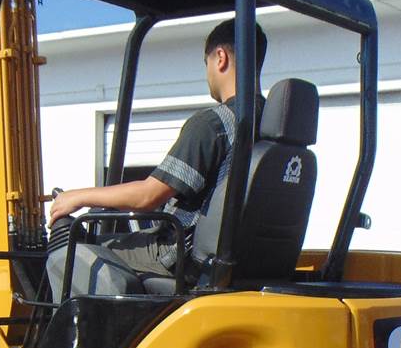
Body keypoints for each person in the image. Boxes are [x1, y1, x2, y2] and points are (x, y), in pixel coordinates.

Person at [46, 19, 267, 297]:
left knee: (71, 256)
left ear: (220, 58)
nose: (207, 73)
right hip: (239, 261)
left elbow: (148, 196)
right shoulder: (269, 125)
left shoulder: (215, 125)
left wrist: (77, 197)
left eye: (206, 63)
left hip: (180, 258)